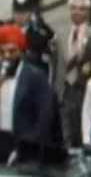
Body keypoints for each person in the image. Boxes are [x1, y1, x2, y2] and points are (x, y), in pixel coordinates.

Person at [0, 23, 63, 164]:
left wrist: (26, 148)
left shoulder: (35, 76)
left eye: (12, 51)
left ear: (21, 51)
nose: (7, 56)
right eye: (2, 52)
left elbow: (45, 118)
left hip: (25, 145)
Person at [55, 0, 91, 147]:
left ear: (88, 12)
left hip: (86, 90)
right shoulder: (60, 34)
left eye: (81, 9)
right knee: (66, 133)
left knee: (85, 133)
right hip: (66, 90)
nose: (77, 12)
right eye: (74, 8)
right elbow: (57, 65)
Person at [12, 0, 57, 83]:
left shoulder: (41, 38)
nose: (20, 16)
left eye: (24, 12)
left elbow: (48, 71)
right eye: (17, 11)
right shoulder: (5, 32)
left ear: (31, 12)